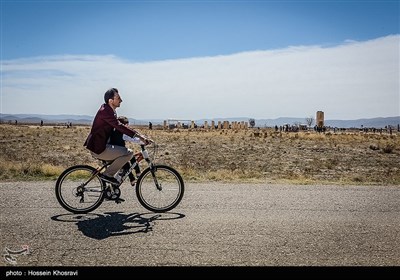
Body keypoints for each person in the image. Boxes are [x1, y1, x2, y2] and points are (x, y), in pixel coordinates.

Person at [84, 88, 152, 186]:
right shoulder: (105, 112)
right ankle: (107, 175)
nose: (121, 100)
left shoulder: (110, 111)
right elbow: (120, 127)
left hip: (103, 146)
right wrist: (141, 137)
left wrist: (139, 137)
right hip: (99, 149)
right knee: (129, 153)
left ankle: (112, 185)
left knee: (123, 158)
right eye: (118, 98)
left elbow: (121, 128)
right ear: (111, 101)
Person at [109, 116, 142, 186]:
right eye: (126, 125)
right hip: (118, 152)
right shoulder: (122, 132)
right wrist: (143, 141)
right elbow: (133, 139)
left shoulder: (115, 130)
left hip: (116, 151)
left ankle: (133, 178)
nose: (127, 127)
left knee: (127, 162)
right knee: (129, 159)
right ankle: (137, 173)